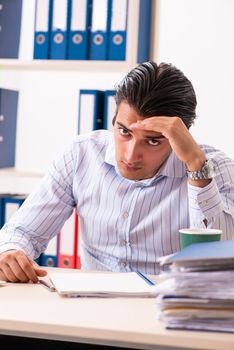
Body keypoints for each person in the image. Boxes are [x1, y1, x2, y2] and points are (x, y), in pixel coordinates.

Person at [0, 61, 234, 283]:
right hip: (90, 309)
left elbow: (221, 262)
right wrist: (12, 251)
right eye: (124, 132)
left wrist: (197, 167)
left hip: (167, 311)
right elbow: (23, 231)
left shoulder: (213, 167)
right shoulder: (82, 153)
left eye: (152, 141)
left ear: (181, 135)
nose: (131, 156)